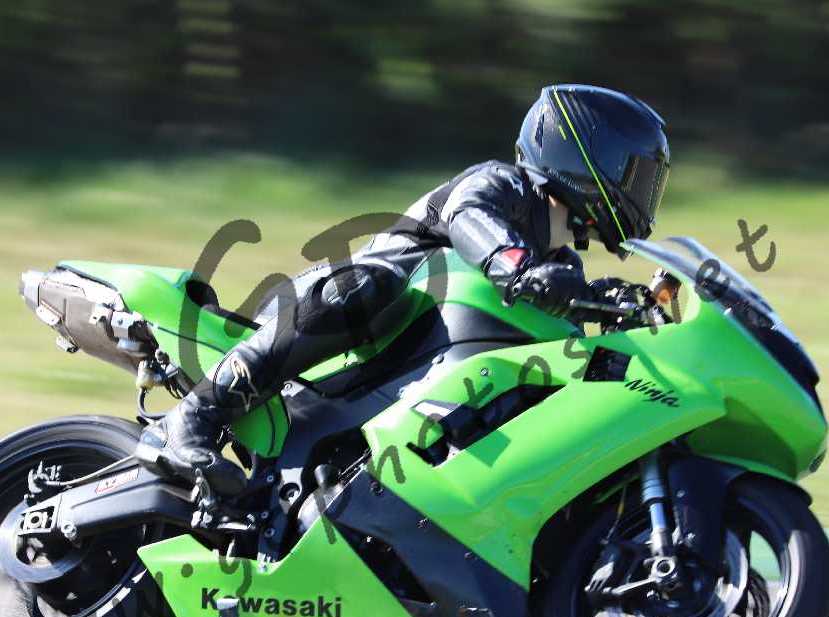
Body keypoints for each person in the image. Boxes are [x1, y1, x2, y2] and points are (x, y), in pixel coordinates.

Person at [137, 84, 670, 494]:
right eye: (638, 176)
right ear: (584, 155)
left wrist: (610, 305)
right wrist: (516, 267)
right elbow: (470, 218)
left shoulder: (560, 261)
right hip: (345, 306)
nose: (645, 193)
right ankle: (195, 416)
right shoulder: (502, 184)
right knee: (365, 287)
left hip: (411, 360)